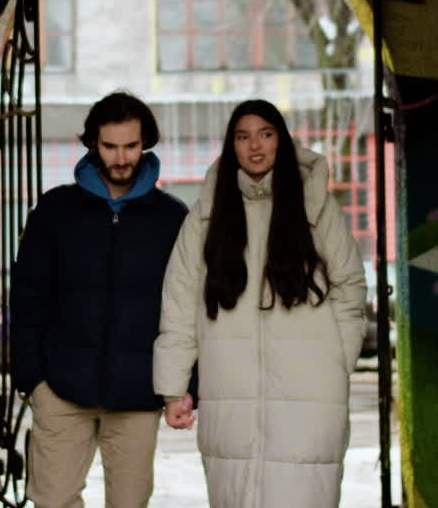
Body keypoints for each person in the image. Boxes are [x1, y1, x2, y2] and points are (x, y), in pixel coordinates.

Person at [153, 99, 366, 508]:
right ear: (231, 145)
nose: (255, 146)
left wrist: (338, 356)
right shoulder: (205, 217)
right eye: (243, 136)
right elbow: (179, 303)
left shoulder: (316, 207)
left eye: (266, 134)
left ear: (281, 141)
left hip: (311, 392)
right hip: (229, 395)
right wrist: (173, 388)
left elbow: (349, 285)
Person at [11, 91, 189, 508]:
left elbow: (188, 308)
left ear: (145, 144)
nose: (121, 158)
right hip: (60, 389)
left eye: (131, 146)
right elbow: (27, 296)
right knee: (52, 501)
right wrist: (32, 379)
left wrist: (182, 385)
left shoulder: (172, 218)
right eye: (110, 146)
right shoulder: (55, 210)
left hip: (138, 394)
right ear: (93, 144)